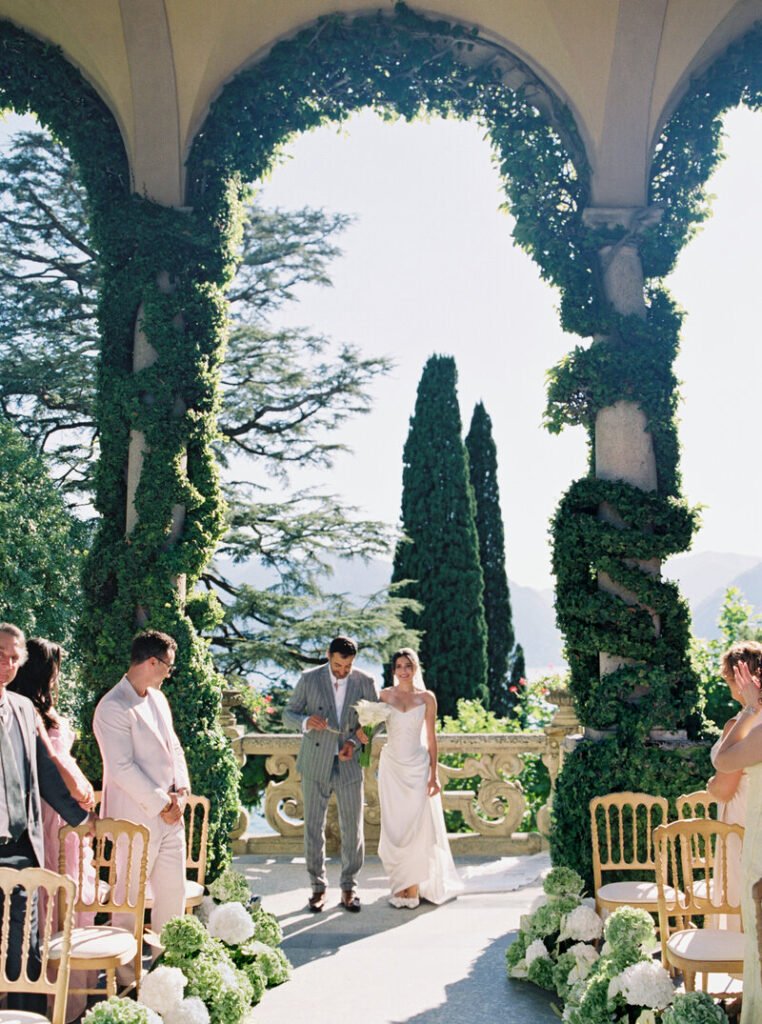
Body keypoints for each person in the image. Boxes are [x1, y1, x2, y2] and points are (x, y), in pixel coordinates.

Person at [0, 622, 92, 1014]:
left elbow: (45, 772)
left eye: (14, 657)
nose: (7, 664)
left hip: (22, 850)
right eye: (0, 655)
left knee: (25, 952)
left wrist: (79, 818)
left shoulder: (23, 708)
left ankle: (28, 1018)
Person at [93, 629, 190, 946]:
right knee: (129, 900)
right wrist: (163, 804)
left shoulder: (159, 699)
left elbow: (175, 748)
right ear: (152, 662)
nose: (169, 674)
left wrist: (182, 792)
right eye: (168, 666)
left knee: (173, 894)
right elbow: (121, 768)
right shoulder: (112, 706)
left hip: (172, 817)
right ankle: (124, 970)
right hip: (135, 818)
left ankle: (168, 965)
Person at [283, 636, 377, 912]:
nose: (342, 671)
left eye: (348, 666)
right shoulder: (309, 679)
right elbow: (287, 714)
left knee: (353, 827)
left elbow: (375, 722)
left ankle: (349, 887)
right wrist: (305, 721)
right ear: (328, 656)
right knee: (313, 827)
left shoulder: (365, 681)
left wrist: (354, 742)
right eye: (338, 666)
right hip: (315, 762)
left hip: (349, 762)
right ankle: (317, 888)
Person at [377, 648, 462, 908]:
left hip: (417, 768)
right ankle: (399, 885)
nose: (403, 671)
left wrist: (434, 775)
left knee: (416, 827)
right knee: (395, 827)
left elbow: (432, 739)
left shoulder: (427, 698)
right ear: (393, 670)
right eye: (399, 666)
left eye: (408, 666)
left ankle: (412, 888)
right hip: (392, 769)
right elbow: (370, 728)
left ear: (415, 668)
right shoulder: (383, 696)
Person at [713, 650, 762, 1024]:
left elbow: (722, 765)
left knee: (754, 919)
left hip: (754, 830)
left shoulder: (753, 726)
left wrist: (749, 708)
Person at [705, 641, 756, 931]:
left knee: (740, 893)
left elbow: (724, 787)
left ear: (740, 677)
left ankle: (737, 952)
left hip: (739, 820)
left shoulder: (740, 724)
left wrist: (711, 787)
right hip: (754, 811)